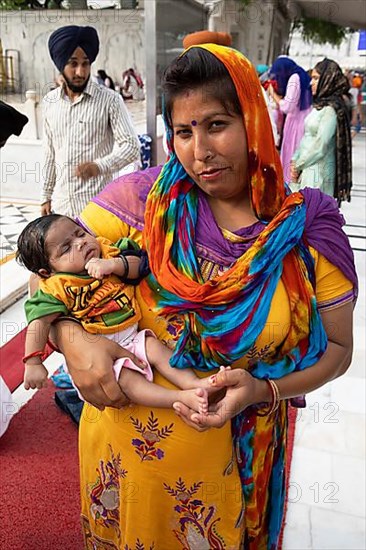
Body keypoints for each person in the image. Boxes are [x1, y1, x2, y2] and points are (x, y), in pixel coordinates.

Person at [51, 44, 357, 549]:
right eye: (183, 131)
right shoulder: (140, 203)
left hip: (240, 458)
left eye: (216, 124)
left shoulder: (308, 231)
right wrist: (74, 342)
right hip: (125, 456)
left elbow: (339, 352)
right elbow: (53, 268)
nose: (199, 150)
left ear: (255, 120)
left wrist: (261, 391)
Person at [17, 214, 214, 413]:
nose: (81, 243)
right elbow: (39, 323)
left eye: (80, 233)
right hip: (101, 357)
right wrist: (33, 362)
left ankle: (195, 385)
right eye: (66, 248)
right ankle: (180, 398)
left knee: (155, 348)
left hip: (132, 336)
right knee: (128, 381)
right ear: (47, 272)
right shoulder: (57, 287)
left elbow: (140, 265)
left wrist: (114, 265)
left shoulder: (106, 251)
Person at [41, 25, 141, 218]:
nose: (80, 72)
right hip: (61, 208)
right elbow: (49, 153)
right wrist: (46, 195)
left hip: (98, 208)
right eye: (73, 64)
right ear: (61, 64)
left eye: (85, 64)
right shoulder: (49, 102)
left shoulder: (110, 100)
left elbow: (131, 147)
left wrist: (99, 166)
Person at [290, 58, 352, 203]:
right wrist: (295, 161)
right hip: (307, 167)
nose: (311, 83)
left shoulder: (331, 110)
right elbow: (306, 136)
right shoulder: (320, 106)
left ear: (327, 80)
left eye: (316, 78)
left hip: (318, 171)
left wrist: (298, 165)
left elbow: (321, 146)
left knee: (313, 216)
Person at [267, 56, 312, 182]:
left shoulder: (294, 78)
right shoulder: (301, 75)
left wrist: (273, 94)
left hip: (296, 123)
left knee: (291, 157)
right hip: (302, 119)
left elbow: (288, 106)